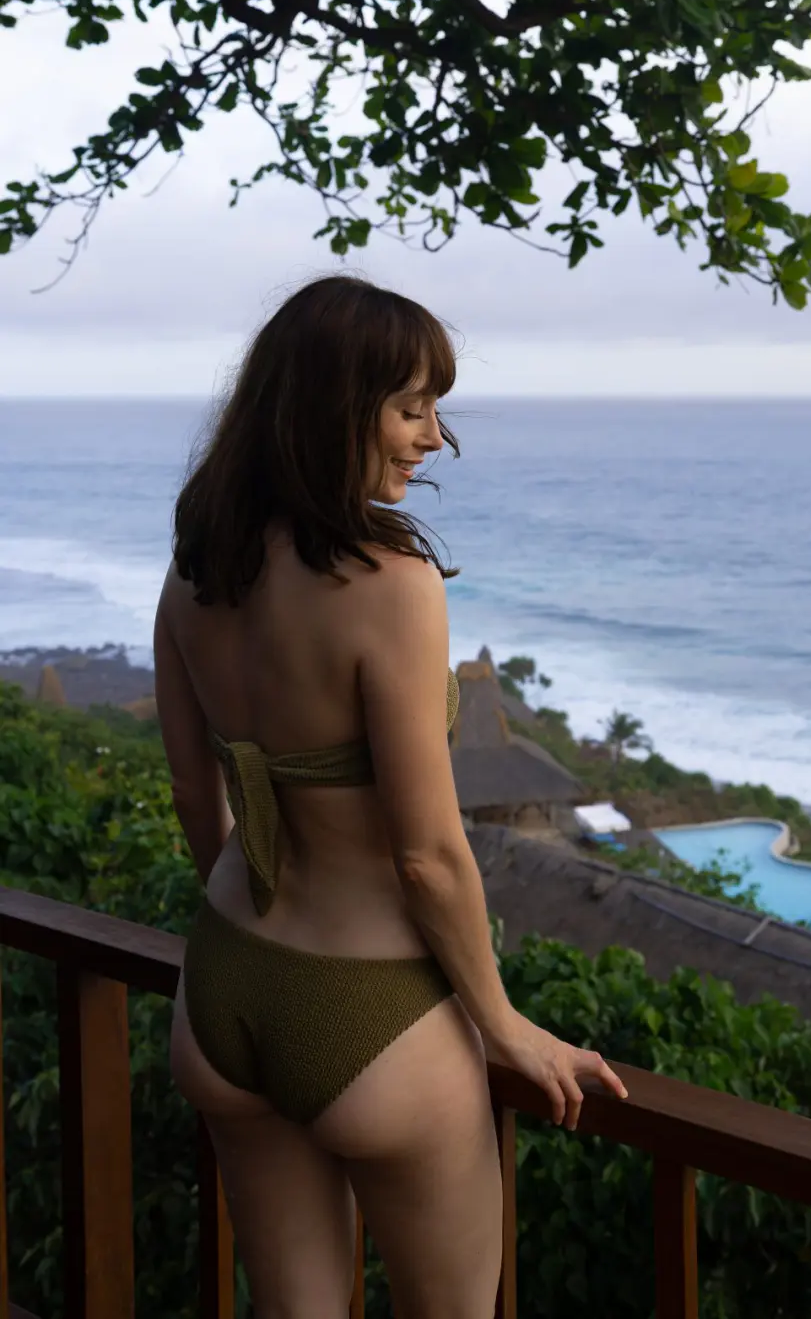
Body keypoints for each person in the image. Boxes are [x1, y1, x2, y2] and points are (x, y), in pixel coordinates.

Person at [154, 276, 628, 1319]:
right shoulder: (389, 585)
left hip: (227, 980)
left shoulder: (197, 566)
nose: (434, 437)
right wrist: (502, 1024)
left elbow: (199, 789)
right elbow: (428, 852)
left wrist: (256, 931)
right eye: (411, 407)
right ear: (332, 406)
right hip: (373, 1012)